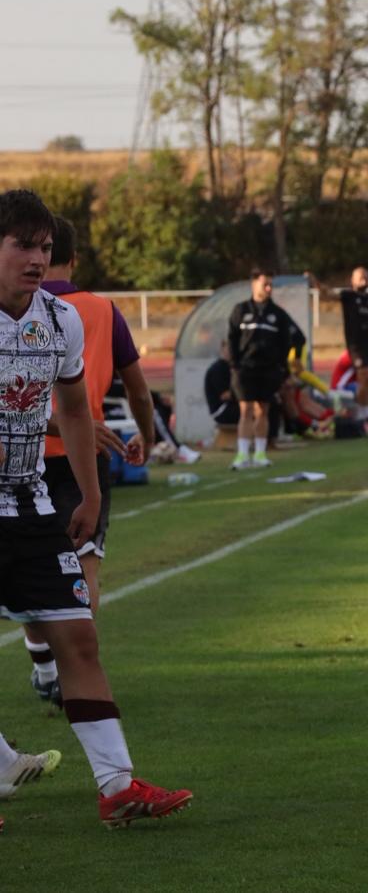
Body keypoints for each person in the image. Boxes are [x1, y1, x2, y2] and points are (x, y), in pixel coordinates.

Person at [0, 188, 193, 828]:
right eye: (22, 245)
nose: (35, 259)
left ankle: (116, 787)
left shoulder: (61, 321)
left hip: (32, 502)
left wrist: (89, 491)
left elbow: (77, 407)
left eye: (44, 248)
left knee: (78, 636)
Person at [23, 216, 158, 708]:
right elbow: (139, 390)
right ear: (74, 258)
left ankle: (43, 661)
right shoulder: (100, 310)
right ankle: (70, 671)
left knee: (31, 565)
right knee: (85, 568)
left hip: (27, 457)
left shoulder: (22, 309)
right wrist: (146, 437)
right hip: (87, 454)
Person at [227, 269, 305, 469]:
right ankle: (242, 454)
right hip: (245, 369)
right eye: (265, 284)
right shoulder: (240, 310)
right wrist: (234, 364)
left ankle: (260, 454)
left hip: (269, 370)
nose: (269, 288)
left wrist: (286, 365)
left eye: (271, 285)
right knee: (246, 410)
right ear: (254, 285)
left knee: (264, 411)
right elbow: (232, 339)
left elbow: (297, 339)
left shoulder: (278, 314)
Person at [338, 266, 368, 419]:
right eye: (360, 276)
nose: (364, 278)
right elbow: (327, 294)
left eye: (366, 276)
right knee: (363, 376)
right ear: (352, 280)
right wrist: (314, 282)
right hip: (355, 345)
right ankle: (359, 414)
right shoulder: (348, 296)